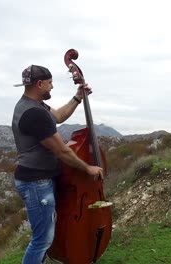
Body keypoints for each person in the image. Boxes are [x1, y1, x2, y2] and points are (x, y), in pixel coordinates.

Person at [11, 64, 104, 264]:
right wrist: (88, 168)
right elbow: (61, 150)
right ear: (39, 84)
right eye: (50, 82)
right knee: (41, 240)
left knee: (45, 237)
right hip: (37, 183)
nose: (52, 87)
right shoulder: (33, 113)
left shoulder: (32, 105)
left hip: (38, 181)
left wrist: (78, 97)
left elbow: (59, 116)